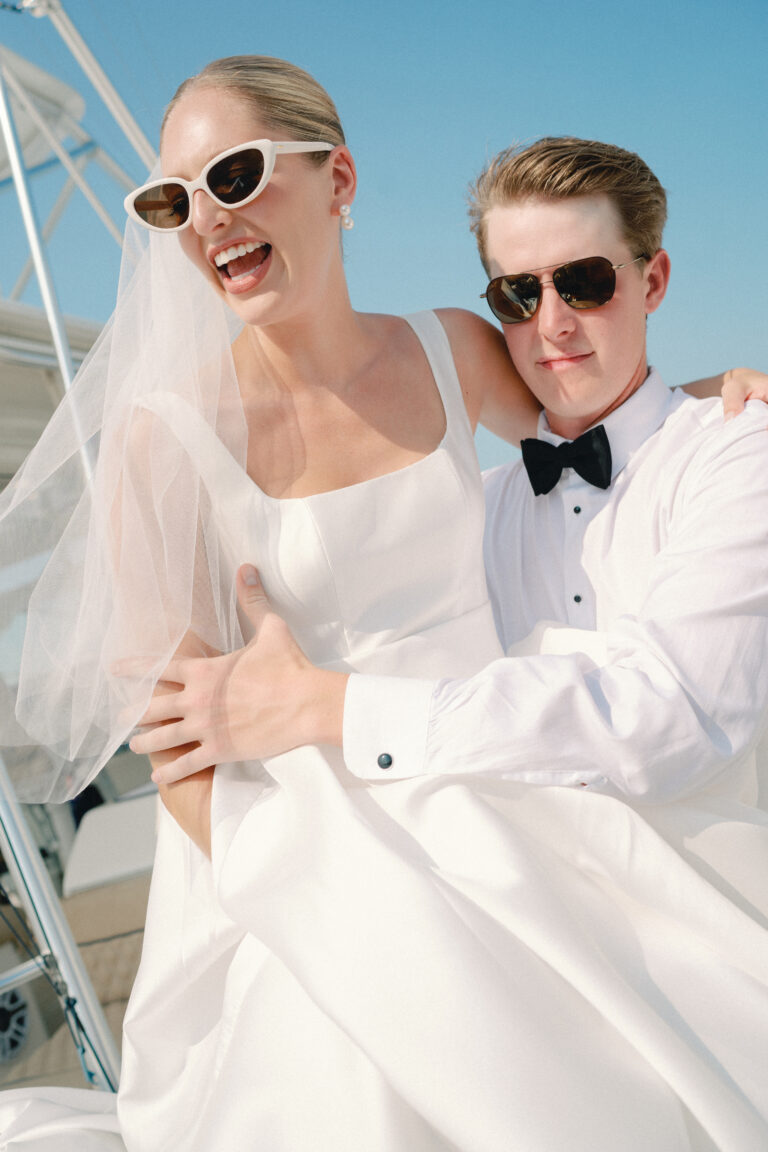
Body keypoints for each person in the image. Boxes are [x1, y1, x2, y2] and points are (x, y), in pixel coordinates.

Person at [0, 60, 765, 1151]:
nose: (207, 218)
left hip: (512, 799)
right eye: (172, 200)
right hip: (294, 850)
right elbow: (180, 751)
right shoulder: (164, 438)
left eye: (235, 174)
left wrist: (720, 396)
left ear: (338, 178)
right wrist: (325, 891)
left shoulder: (453, 349)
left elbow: (582, 416)